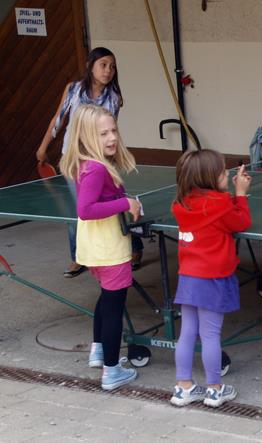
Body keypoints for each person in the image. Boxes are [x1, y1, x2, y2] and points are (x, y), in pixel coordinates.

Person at [36, 47, 143, 277]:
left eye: (112, 66)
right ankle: (78, 256)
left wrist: (112, 160)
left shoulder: (114, 97)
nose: (108, 70)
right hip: (73, 159)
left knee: (115, 203)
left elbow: (111, 130)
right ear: (90, 66)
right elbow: (58, 119)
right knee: (76, 209)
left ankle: (134, 246)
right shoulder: (73, 89)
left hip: (101, 161)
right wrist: (43, 147)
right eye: (103, 65)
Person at [59, 104, 142, 390]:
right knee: (114, 308)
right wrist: (125, 203)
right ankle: (112, 371)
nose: (112, 137)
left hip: (94, 249)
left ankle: (98, 352)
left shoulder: (87, 163)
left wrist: (120, 199)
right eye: (103, 133)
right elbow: (86, 210)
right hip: (109, 249)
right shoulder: (95, 168)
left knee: (106, 300)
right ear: (86, 136)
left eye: (113, 130)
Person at [170, 149, 252, 408]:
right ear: (208, 178)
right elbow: (241, 222)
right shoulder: (220, 204)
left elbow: (213, 210)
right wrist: (240, 194)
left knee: (187, 332)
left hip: (188, 277)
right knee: (210, 335)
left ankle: (183, 387)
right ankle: (215, 389)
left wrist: (230, 195)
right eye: (221, 171)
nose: (226, 173)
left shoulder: (181, 204)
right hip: (213, 278)